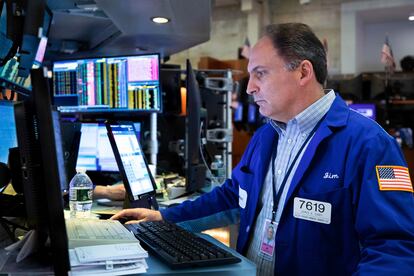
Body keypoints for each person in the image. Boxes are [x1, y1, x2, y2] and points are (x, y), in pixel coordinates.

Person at [112, 23, 414, 275]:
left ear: (302, 72)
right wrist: (164, 218)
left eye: (260, 73)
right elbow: (233, 196)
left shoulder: (369, 144)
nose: (249, 88)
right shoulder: (266, 134)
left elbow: (395, 248)